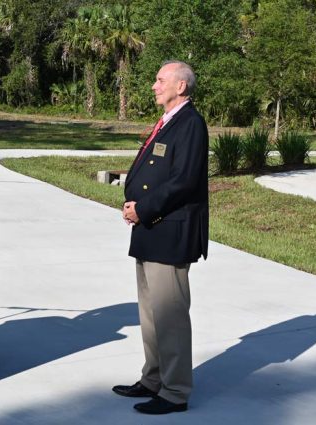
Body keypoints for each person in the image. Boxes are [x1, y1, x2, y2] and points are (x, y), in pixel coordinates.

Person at [113, 60, 208, 415]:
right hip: (152, 228)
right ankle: (153, 378)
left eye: (160, 80)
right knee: (151, 314)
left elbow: (183, 180)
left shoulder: (191, 124)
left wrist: (144, 207)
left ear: (181, 86)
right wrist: (134, 205)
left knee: (170, 316)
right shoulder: (170, 122)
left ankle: (175, 391)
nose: (154, 86)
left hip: (169, 230)